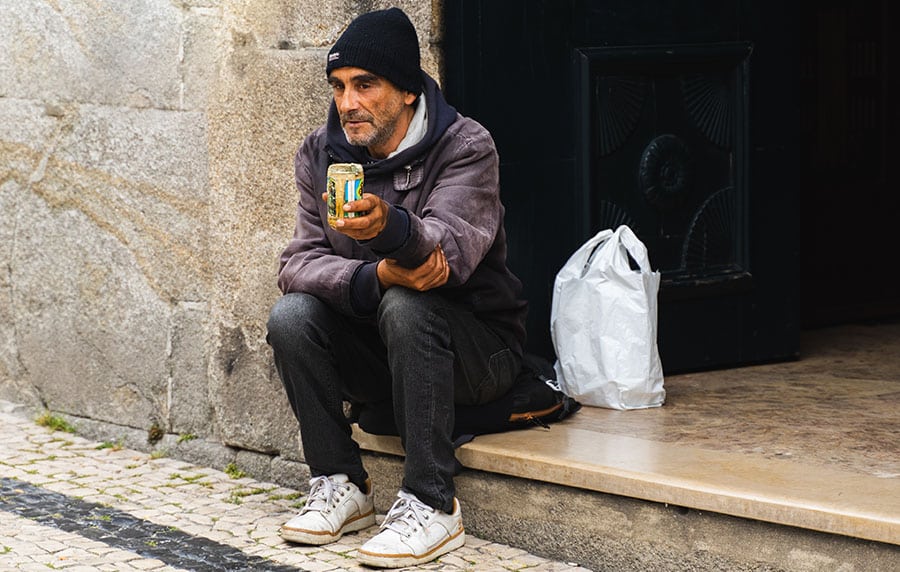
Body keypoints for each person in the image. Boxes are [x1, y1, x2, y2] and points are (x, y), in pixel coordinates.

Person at [266, 7, 527, 568]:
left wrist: (390, 228)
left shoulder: (464, 145)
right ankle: (342, 485)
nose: (348, 103)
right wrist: (372, 276)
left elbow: (445, 257)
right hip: (386, 352)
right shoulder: (321, 153)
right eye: (338, 87)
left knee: (410, 303)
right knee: (291, 316)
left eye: (366, 85)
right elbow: (297, 264)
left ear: (407, 90)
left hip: (478, 352)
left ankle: (432, 503)